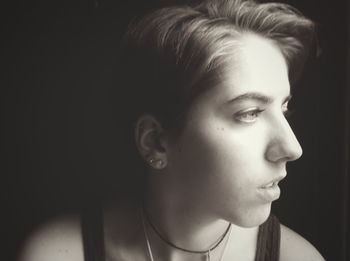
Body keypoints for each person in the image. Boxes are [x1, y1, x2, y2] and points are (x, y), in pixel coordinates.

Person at [18, 0, 325, 260]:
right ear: (155, 142)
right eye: (249, 113)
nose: (291, 147)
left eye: (283, 108)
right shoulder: (59, 253)